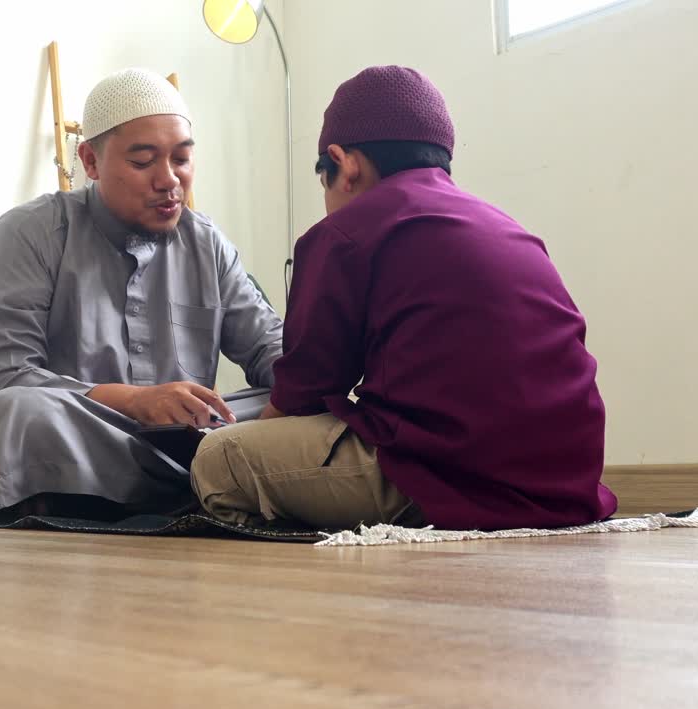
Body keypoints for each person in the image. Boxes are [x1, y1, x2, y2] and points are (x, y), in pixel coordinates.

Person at [189, 66, 618, 531]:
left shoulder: (345, 232)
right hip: (565, 483)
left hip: (443, 478)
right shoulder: (505, 226)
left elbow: (303, 392)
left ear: (343, 163)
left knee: (217, 458)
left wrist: (246, 434)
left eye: (323, 182)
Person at [0, 68, 284, 524]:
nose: (169, 180)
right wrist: (134, 401)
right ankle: (200, 491)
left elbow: (272, 349)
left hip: (191, 444)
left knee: (303, 400)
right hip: (87, 435)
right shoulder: (30, 233)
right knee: (13, 412)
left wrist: (312, 390)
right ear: (90, 161)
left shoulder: (206, 244)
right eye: (144, 162)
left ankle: (168, 488)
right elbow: (2, 376)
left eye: (182, 159)